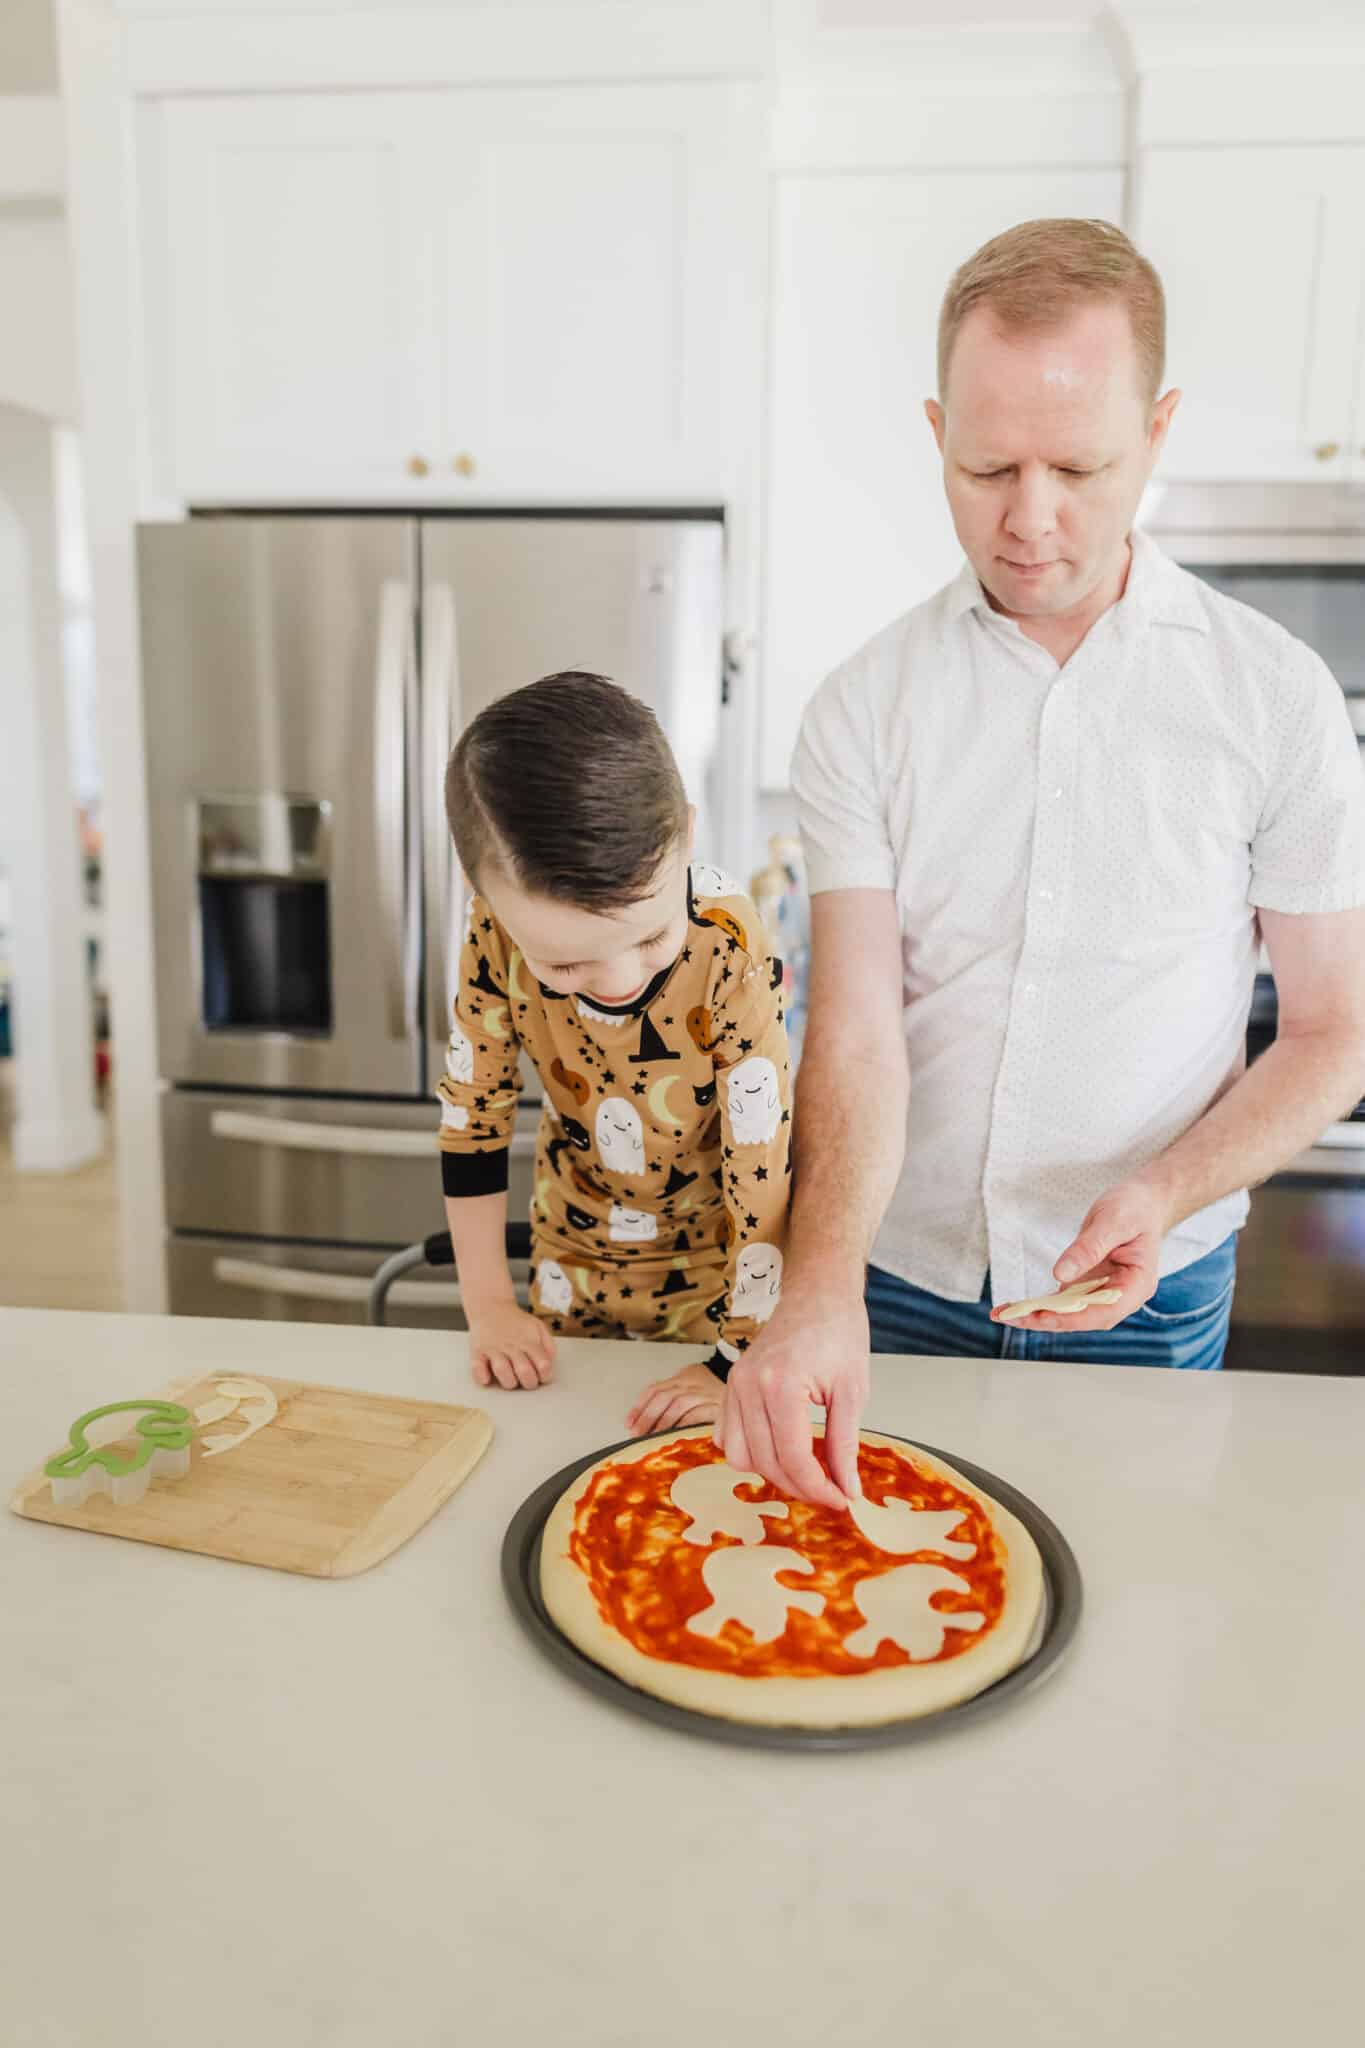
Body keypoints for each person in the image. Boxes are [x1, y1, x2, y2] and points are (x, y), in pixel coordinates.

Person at [716, 217, 1365, 1509]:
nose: (1028, 519)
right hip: (893, 1285)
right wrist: (820, 1286)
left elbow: (1333, 1031)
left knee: (1128, 1642)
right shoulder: (864, 706)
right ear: (933, 429)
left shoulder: (1276, 701)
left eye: (1077, 464)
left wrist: (1168, 1185)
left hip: (1149, 1298)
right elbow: (853, 1031)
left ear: (1159, 429)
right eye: (984, 466)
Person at [436, 671, 791, 1435]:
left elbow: (761, 1159)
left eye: (652, 937)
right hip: (570, 1259)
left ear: (687, 835)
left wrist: (738, 1357)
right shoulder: (491, 931)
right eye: (564, 966)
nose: (621, 980)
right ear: (484, 894)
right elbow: (474, 1116)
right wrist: (490, 1305)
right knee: (562, 1442)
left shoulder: (728, 940)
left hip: (719, 1278)